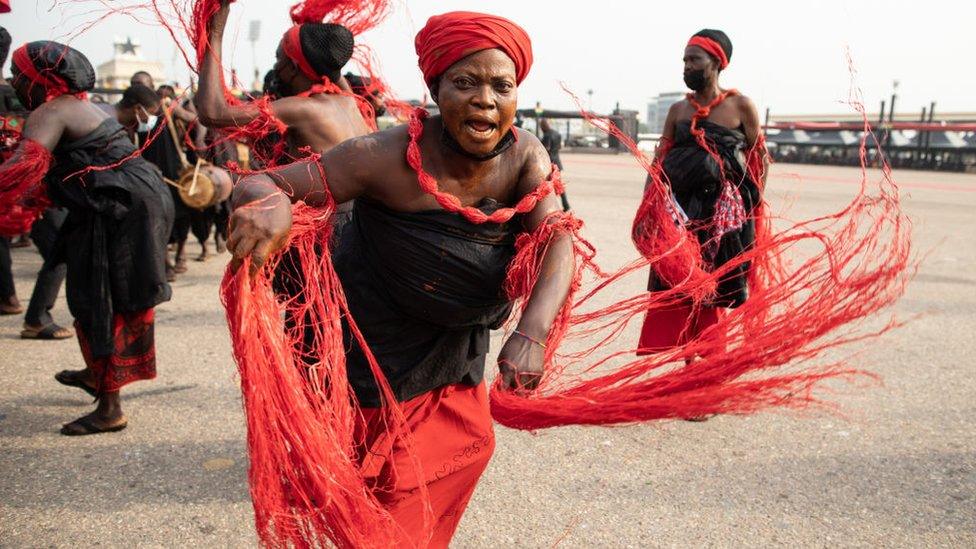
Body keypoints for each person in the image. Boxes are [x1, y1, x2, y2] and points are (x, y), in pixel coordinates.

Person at [225, 11, 573, 547]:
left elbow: (557, 240)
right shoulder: (379, 156)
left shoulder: (526, 155)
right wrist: (267, 202)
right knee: (373, 514)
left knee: (439, 486)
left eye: (502, 86)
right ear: (434, 89)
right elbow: (266, 183)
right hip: (373, 362)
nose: (485, 99)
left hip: (453, 361)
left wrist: (532, 333)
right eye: (465, 82)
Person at [2, 41, 173, 434]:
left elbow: (19, 170)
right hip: (121, 203)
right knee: (88, 290)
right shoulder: (77, 106)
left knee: (103, 298)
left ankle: (110, 408)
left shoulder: (52, 110)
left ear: (41, 79)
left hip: (119, 210)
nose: (14, 81)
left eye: (19, 75)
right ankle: (98, 375)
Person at [637, 29, 766, 354]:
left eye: (694, 60)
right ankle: (685, 360)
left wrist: (751, 204)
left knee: (712, 291)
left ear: (717, 63)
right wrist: (648, 206)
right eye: (684, 60)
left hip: (720, 219)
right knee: (678, 286)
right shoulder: (679, 110)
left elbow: (758, 158)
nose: (687, 66)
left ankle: (707, 361)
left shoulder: (741, 106)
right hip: (679, 215)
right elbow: (659, 160)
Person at [539, 118, 570, 211]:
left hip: (549, 164)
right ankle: (566, 205)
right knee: (558, 185)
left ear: (543, 126)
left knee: (544, 185)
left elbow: (546, 148)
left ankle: (547, 207)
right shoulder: (557, 133)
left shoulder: (547, 135)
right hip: (557, 162)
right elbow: (559, 146)